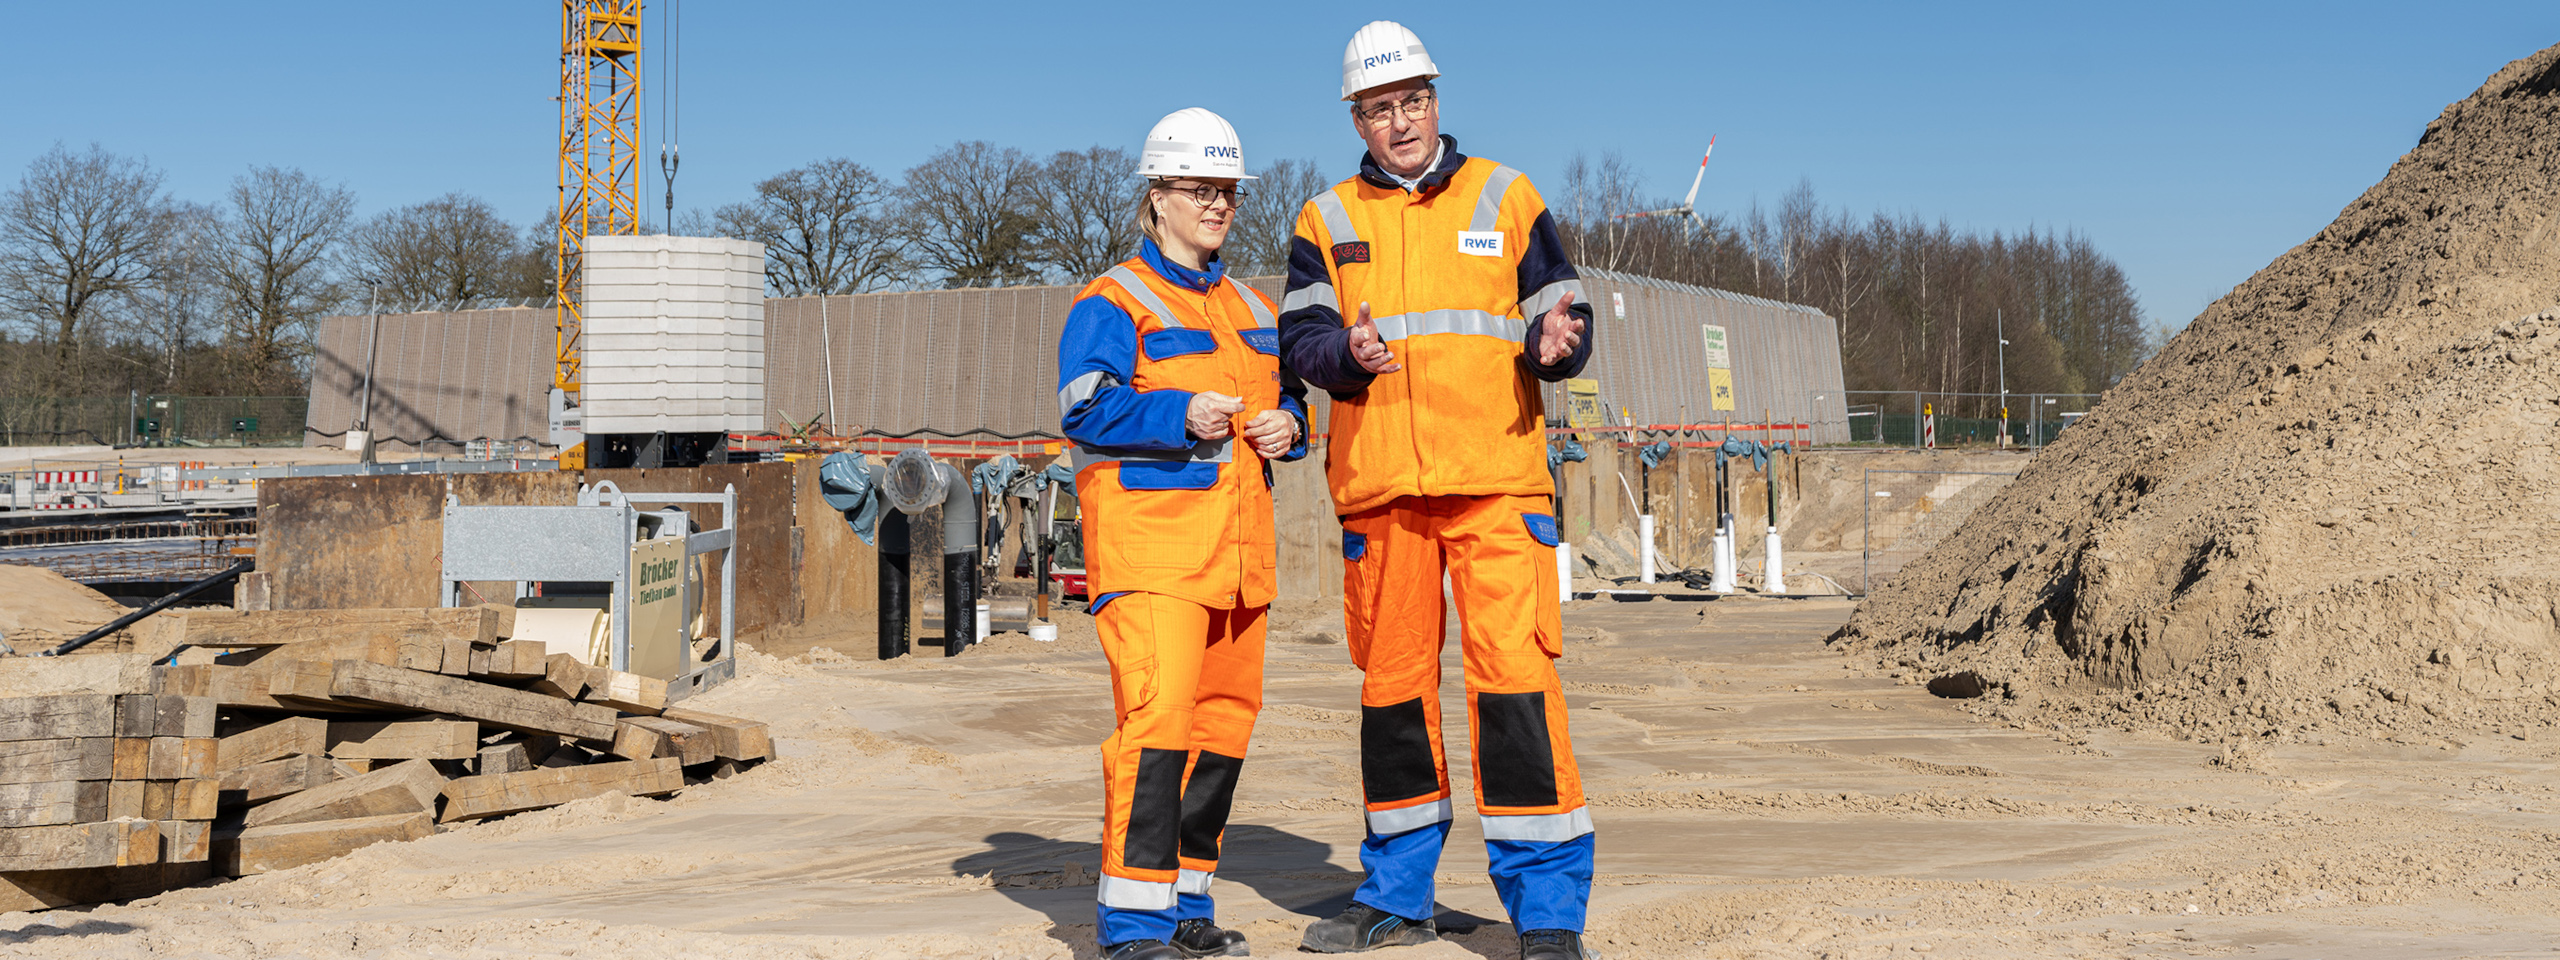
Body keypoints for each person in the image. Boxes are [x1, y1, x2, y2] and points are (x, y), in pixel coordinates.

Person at [1277, 21, 1599, 960]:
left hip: (1498, 486)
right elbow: (1300, 345)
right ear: (1358, 119)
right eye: (1379, 109)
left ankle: (1546, 915)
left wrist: (1560, 345)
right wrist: (1347, 353)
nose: (1399, 121)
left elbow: (1564, 316)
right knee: (1394, 699)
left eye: (1411, 101)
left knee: (1517, 693)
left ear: (1435, 101)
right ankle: (1398, 896)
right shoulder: (1324, 219)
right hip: (1383, 498)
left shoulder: (1508, 195)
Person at [1057, 106, 1309, 960]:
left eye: (1228, 191)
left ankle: (1185, 903)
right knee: (1157, 727)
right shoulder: (1113, 299)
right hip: (1154, 555)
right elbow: (1084, 407)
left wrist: (1290, 430)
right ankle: (1133, 926)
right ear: (1156, 195)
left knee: (1222, 731)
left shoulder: (1249, 304)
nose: (1218, 204)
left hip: (1239, 563)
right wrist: (1179, 410)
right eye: (1200, 189)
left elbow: (1290, 403)